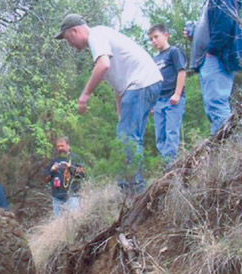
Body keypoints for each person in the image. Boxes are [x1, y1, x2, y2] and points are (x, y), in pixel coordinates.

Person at [56, 14, 162, 194]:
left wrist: (85, 94)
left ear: (75, 31)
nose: (71, 45)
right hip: (144, 84)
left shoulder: (96, 35)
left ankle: (133, 190)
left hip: (140, 84)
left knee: (127, 139)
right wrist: (121, 114)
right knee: (129, 137)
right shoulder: (102, 38)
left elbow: (104, 65)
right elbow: (118, 86)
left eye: (68, 39)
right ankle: (133, 188)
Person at [185, 0, 242, 135]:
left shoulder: (221, 1)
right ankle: (222, 144)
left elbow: (225, 26)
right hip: (211, 59)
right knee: (213, 106)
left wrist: (211, 51)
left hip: (216, 58)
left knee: (217, 104)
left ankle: (227, 147)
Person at [149, 24, 187, 167]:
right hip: (159, 101)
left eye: (156, 37)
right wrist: (152, 103)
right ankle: (166, 165)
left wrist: (177, 94)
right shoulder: (154, 59)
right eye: (151, 39)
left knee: (171, 132)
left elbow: (181, 72)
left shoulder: (174, 52)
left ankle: (172, 166)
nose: (154, 41)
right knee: (160, 135)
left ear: (166, 35)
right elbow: (153, 81)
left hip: (173, 100)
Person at [45, 137, 86, 217]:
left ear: (68, 146)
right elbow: (46, 179)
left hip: (72, 195)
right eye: (58, 146)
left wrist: (71, 168)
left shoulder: (75, 158)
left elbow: (83, 174)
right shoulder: (54, 161)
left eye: (62, 146)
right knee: (58, 222)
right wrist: (52, 170)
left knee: (74, 220)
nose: (60, 148)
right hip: (57, 197)